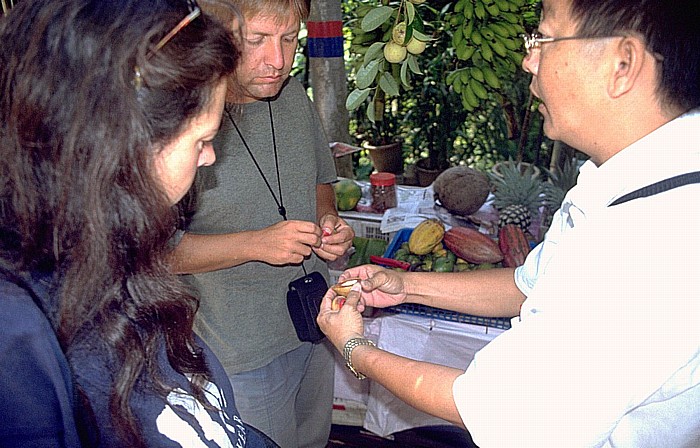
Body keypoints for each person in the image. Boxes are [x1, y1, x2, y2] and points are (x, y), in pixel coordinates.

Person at [318, 0, 700, 447]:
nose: (528, 60)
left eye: (545, 39)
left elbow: (493, 408)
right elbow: (526, 287)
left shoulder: (650, 241)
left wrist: (355, 349)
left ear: (623, 64)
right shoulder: (624, 182)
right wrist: (408, 287)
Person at [0, 0, 277, 446]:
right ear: (123, 144)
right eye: (202, 140)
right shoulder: (18, 336)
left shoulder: (115, 265)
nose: (208, 157)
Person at [167, 0, 354, 446]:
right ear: (220, 35)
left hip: (316, 323)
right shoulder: (178, 118)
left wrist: (329, 219)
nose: (278, 60)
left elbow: (319, 183)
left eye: (289, 39)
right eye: (258, 41)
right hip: (238, 352)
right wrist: (255, 244)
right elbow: (154, 253)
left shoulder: (292, 96)